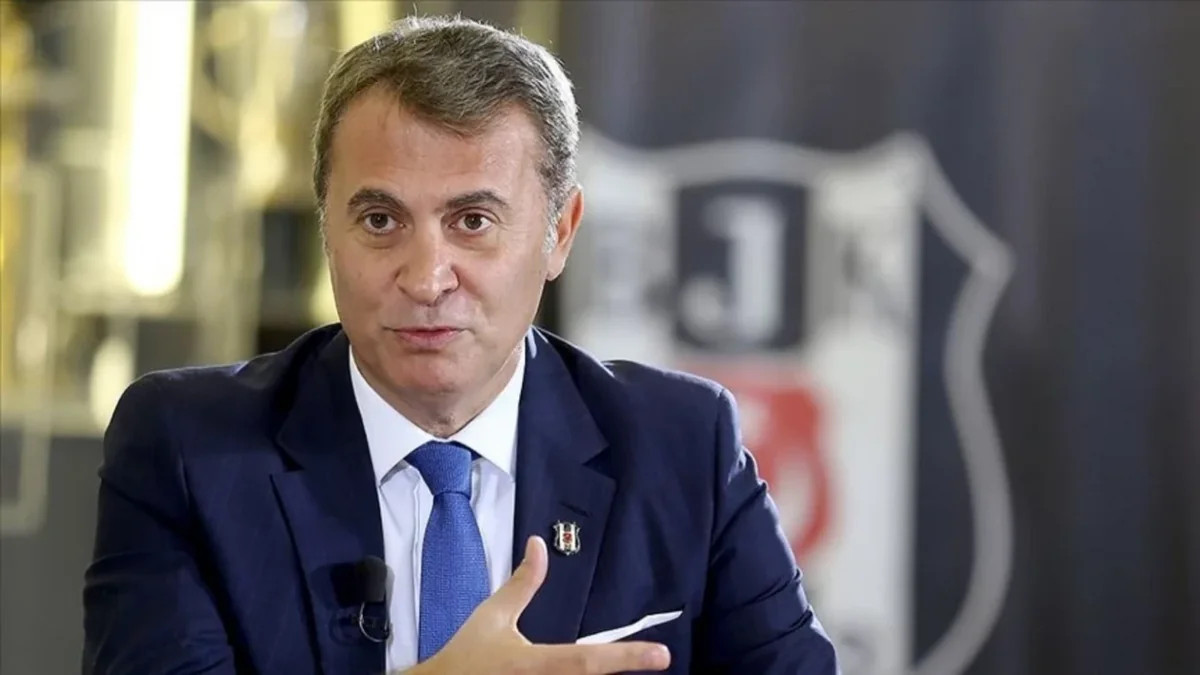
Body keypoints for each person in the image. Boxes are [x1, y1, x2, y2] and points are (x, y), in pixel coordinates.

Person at [82, 14, 838, 675]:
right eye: (380, 221)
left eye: (473, 222)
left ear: (559, 233)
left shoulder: (682, 445)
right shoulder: (188, 449)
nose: (426, 279)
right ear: (326, 229)